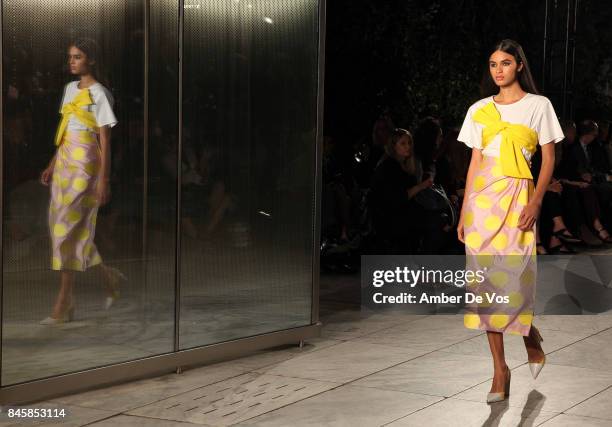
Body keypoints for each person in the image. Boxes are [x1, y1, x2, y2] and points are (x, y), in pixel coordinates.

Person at [456, 39, 564, 403]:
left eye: (504, 63)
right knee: (486, 286)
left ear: (519, 65)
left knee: (515, 280)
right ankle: (500, 370)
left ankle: (530, 335)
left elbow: (548, 160)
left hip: (519, 199)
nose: (497, 70)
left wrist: (536, 202)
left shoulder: (539, 106)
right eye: (492, 64)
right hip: (483, 202)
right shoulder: (478, 110)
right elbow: (475, 162)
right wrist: (464, 209)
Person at [39, 38, 125, 325]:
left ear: (92, 60)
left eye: (78, 57)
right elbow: (65, 130)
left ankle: (64, 302)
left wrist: (105, 179)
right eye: (70, 57)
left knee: (67, 228)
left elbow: (105, 140)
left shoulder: (100, 94)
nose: (72, 61)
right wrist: (52, 163)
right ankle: (108, 277)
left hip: (87, 164)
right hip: (64, 161)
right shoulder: (68, 90)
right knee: (63, 228)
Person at [369, 128, 431, 253]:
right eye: (403, 143)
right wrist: (421, 186)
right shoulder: (389, 167)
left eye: (409, 143)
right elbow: (397, 198)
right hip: (389, 218)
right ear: (393, 146)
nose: (407, 147)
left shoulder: (405, 166)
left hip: (402, 215)